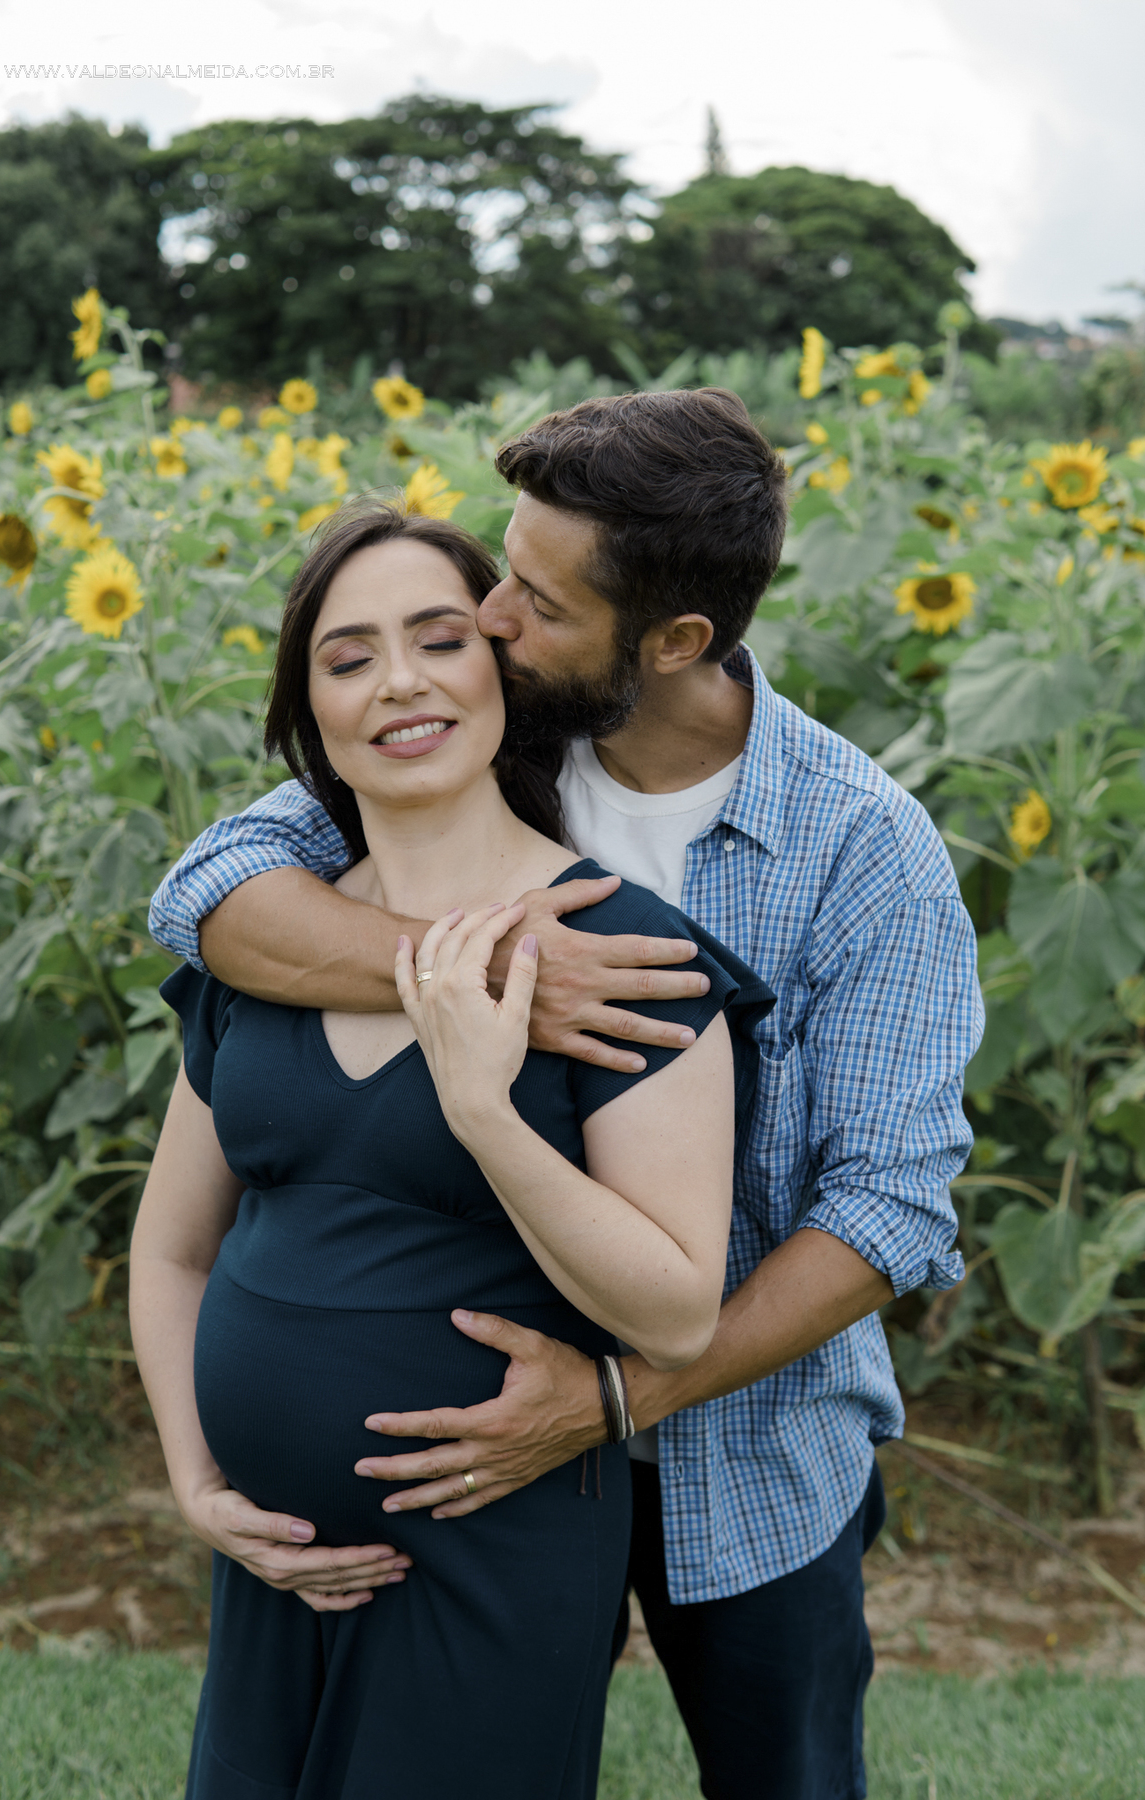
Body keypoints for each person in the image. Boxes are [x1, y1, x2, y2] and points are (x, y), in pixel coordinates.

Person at [149, 389, 983, 1800]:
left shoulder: (864, 853)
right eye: (498, 573)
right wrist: (484, 973)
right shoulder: (484, 728)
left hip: (746, 1437)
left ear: (674, 644)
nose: (487, 620)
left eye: (531, 600)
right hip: (468, 1463)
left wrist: (610, 1397)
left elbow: (890, 1208)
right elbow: (215, 898)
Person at [131, 503, 771, 1800]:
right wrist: (199, 1481)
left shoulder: (619, 959)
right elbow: (174, 1243)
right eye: (349, 656)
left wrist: (487, 1113)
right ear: (307, 711)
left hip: (492, 1549)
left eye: (439, 638)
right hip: (273, 1563)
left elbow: (675, 1308)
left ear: (502, 670)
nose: (402, 682)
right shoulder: (267, 942)